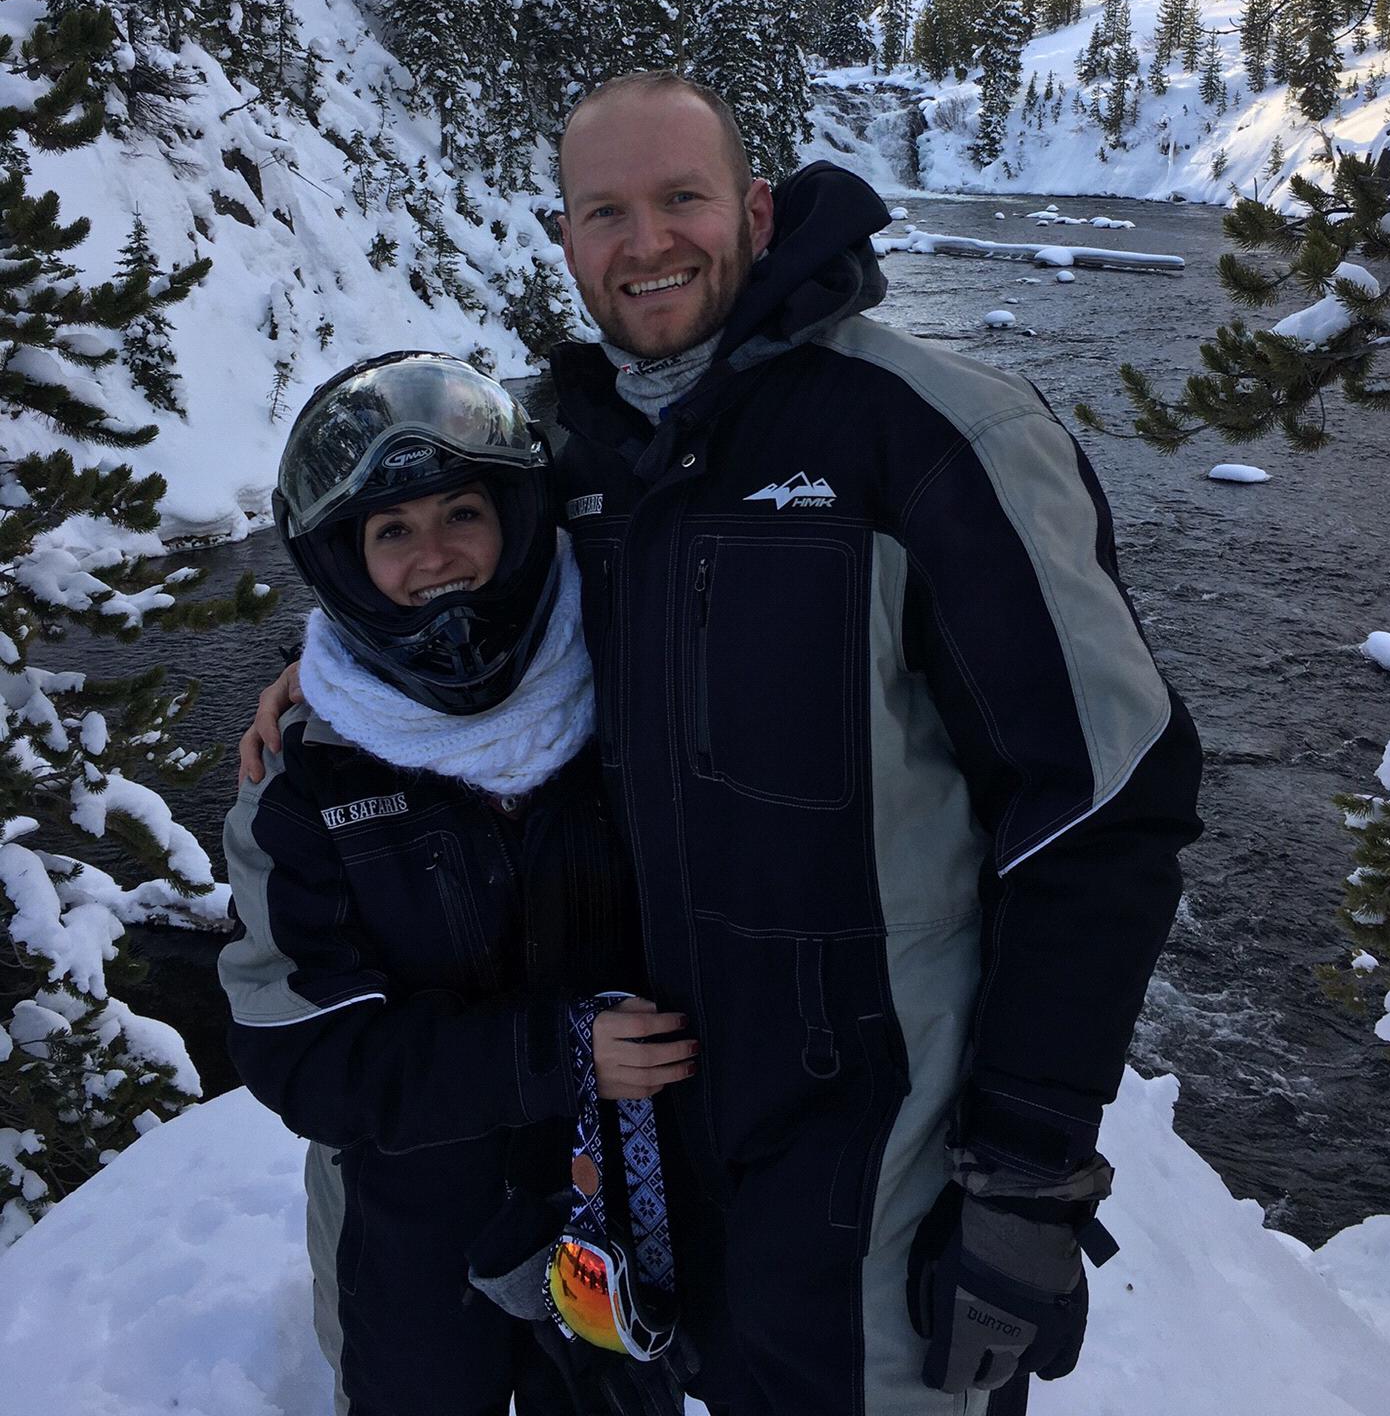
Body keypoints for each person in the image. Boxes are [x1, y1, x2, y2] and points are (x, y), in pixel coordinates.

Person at [245, 75, 1203, 1416]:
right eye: (606, 212)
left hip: (878, 1160)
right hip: (662, 1152)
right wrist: (325, 672)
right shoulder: (569, 455)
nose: (648, 243)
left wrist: (1028, 1174)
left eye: (682, 199)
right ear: (568, 240)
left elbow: (1101, 810)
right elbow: (433, 578)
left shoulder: (928, 438)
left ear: (753, 209)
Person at [220, 352, 697, 1416]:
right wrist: (554, 1051)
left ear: (517, 521)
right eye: (392, 531)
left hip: (614, 1198)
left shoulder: (635, 683)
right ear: (345, 557)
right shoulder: (303, 778)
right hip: (411, 1227)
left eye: (462, 513)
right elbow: (305, 1053)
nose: (434, 556)